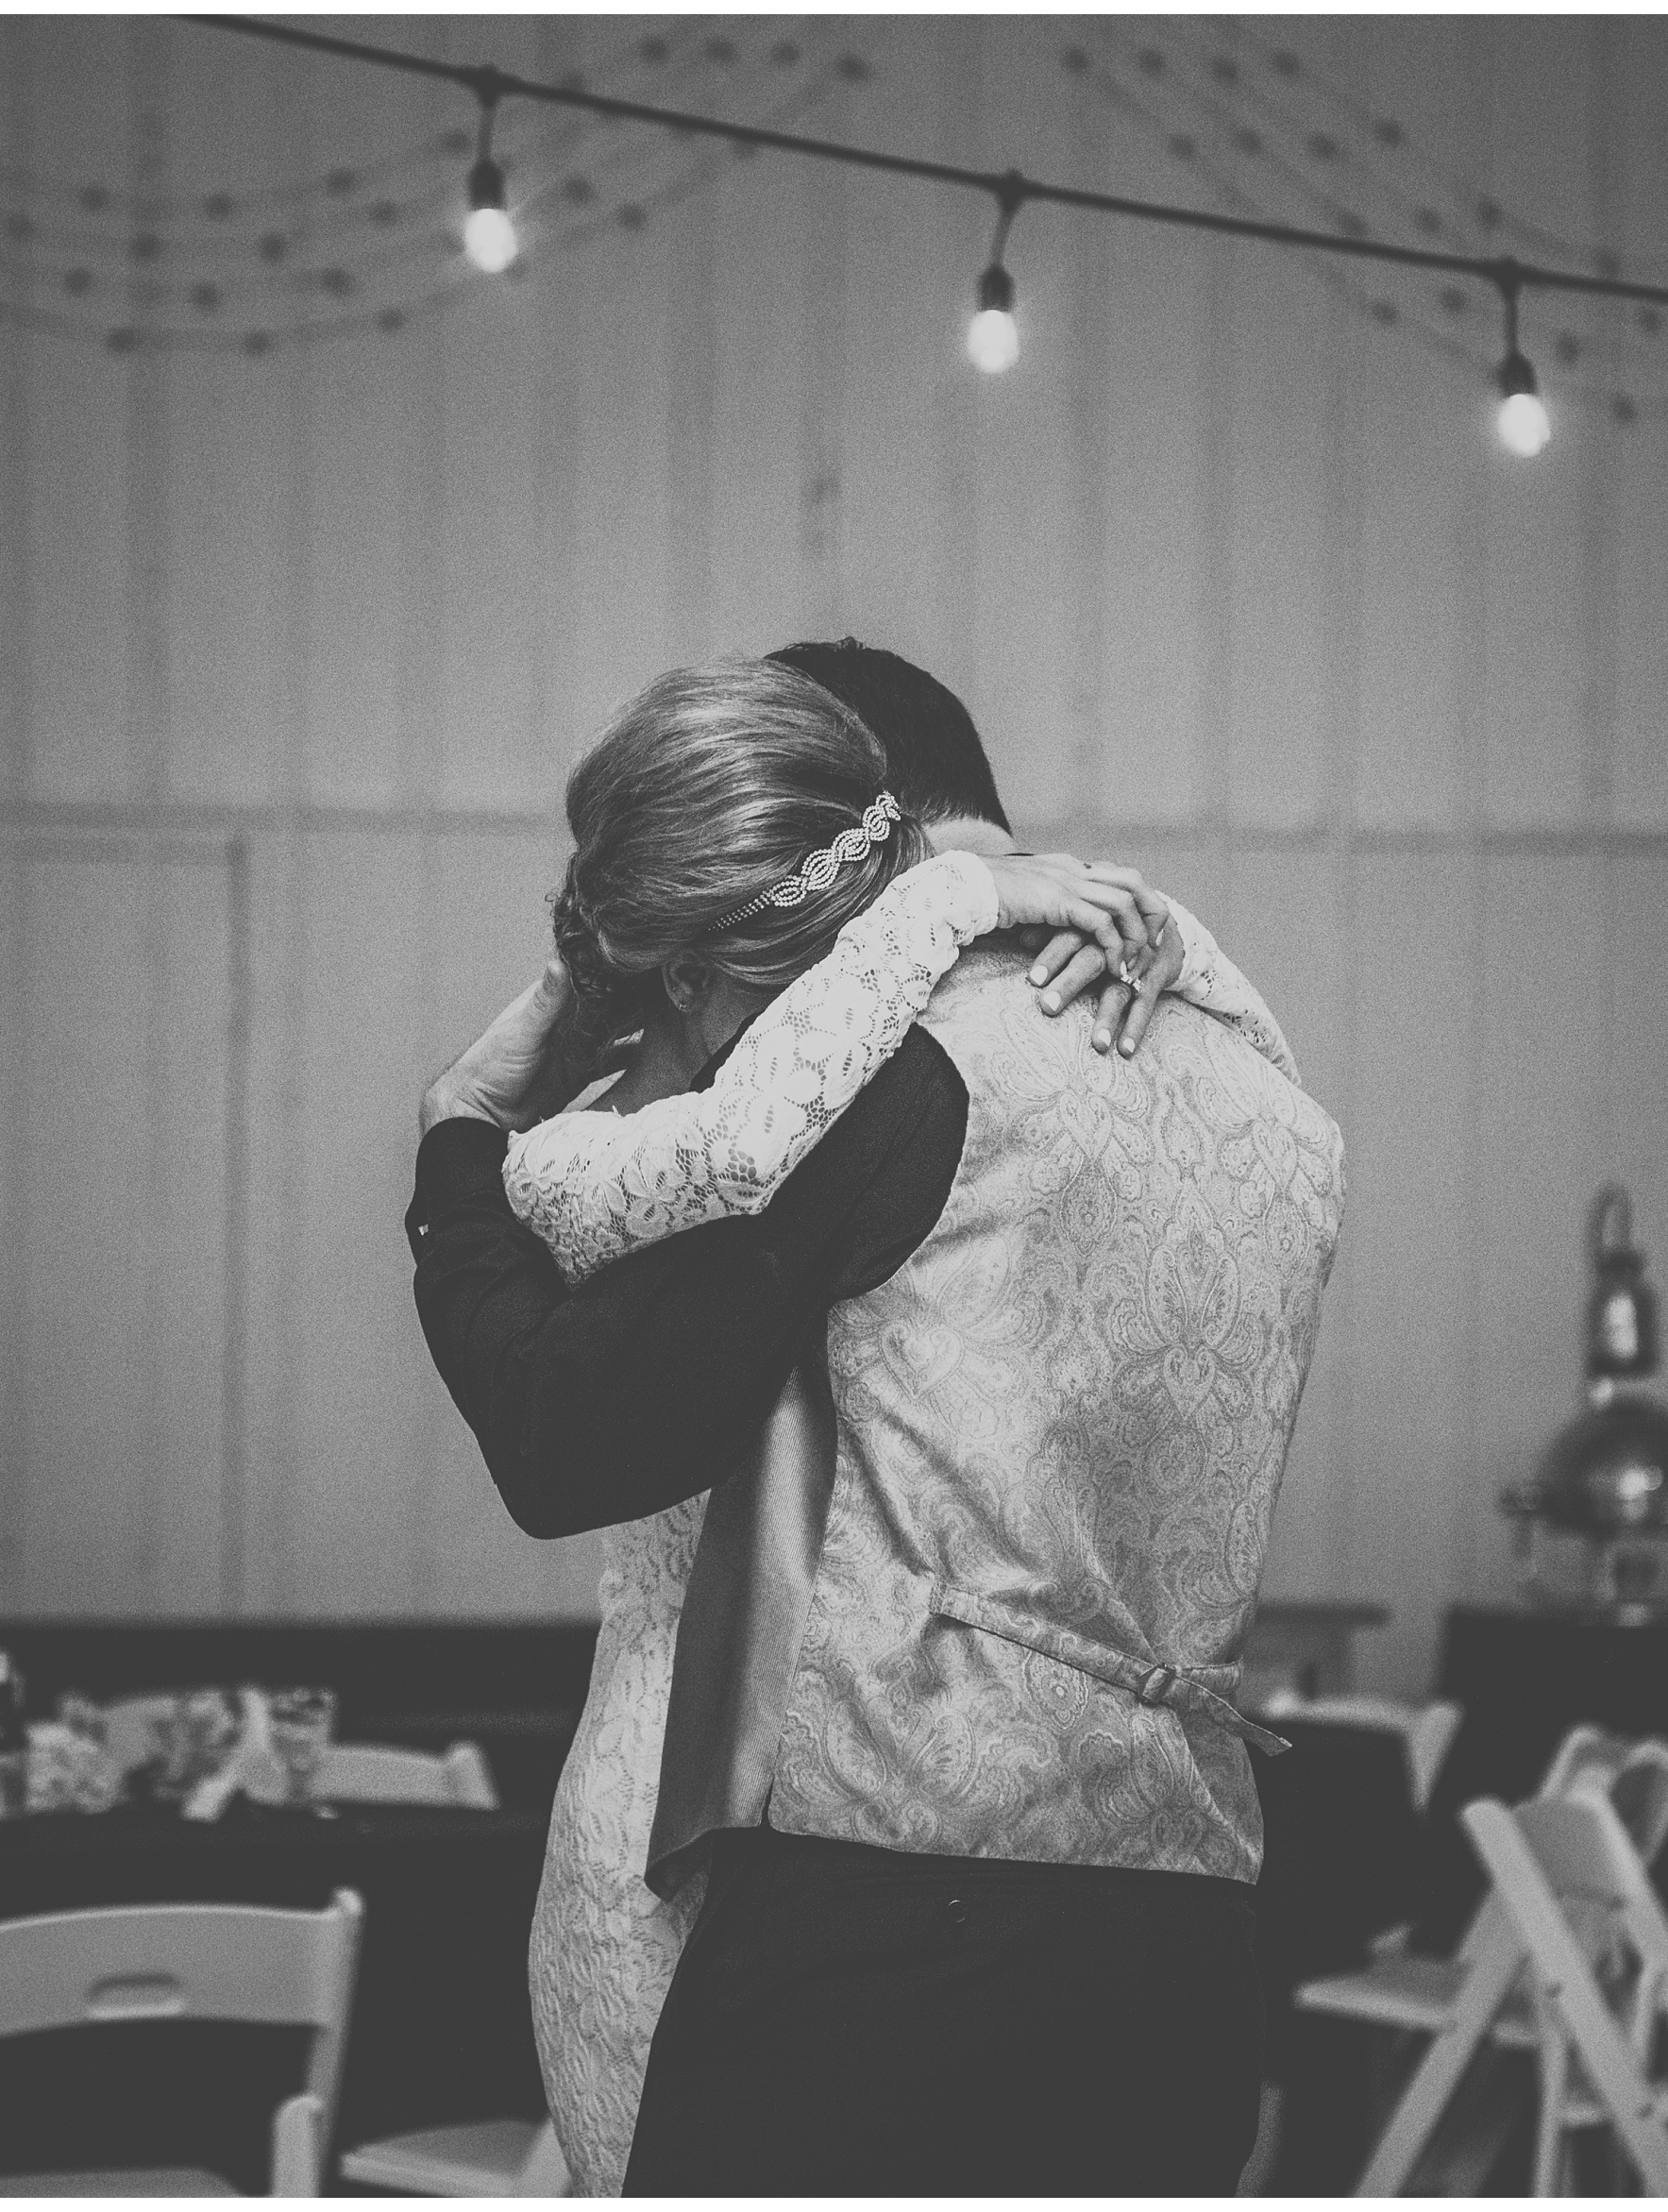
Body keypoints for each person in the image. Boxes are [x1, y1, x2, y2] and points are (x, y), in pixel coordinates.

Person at [413, 650, 1339, 2193]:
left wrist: (458, 1144)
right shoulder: (1261, 1087)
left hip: (890, 1930)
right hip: (1183, 1925)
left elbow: (574, 1431)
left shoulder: (862, 1070)